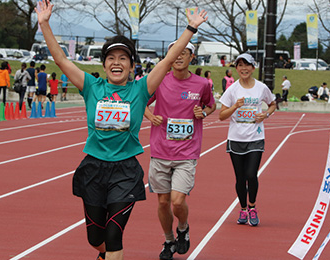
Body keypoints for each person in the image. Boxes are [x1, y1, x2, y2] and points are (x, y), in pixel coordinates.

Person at [35, 1, 207, 260]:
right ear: (104, 65)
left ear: (131, 66)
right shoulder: (91, 86)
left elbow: (170, 58)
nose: (117, 62)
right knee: (96, 239)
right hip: (93, 168)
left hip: (124, 171)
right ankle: (103, 253)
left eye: (123, 58)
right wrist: (44, 24)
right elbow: (60, 59)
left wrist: (190, 29)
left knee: (114, 235)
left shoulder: (140, 89)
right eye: (111, 58)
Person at [144, 41, 216, 260]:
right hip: (160, 150)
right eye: (174, 53)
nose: (178, 57)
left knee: (177, 200)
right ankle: (168, 240)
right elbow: (141, 103)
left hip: (186, 151)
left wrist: (202, 113)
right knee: (163, 202)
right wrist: (150, 116)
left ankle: (182, 228)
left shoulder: (202, 84)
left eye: (183, 53)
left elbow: (211, 105)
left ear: (191, 57)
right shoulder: (159, 81)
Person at [219, 53, 276, 227]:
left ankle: (252, 207)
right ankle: (243, 208)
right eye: (240, 65)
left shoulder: (261, 88)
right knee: (240, 177)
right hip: (236, 138)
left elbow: (273, 103)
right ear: (236, 68)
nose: (244, 68)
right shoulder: (232, 89)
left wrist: (265, 114)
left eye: (247, 65)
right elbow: (222, 115)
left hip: (255, 137)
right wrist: (235, 106)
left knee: (251, 175)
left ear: (253, 67)